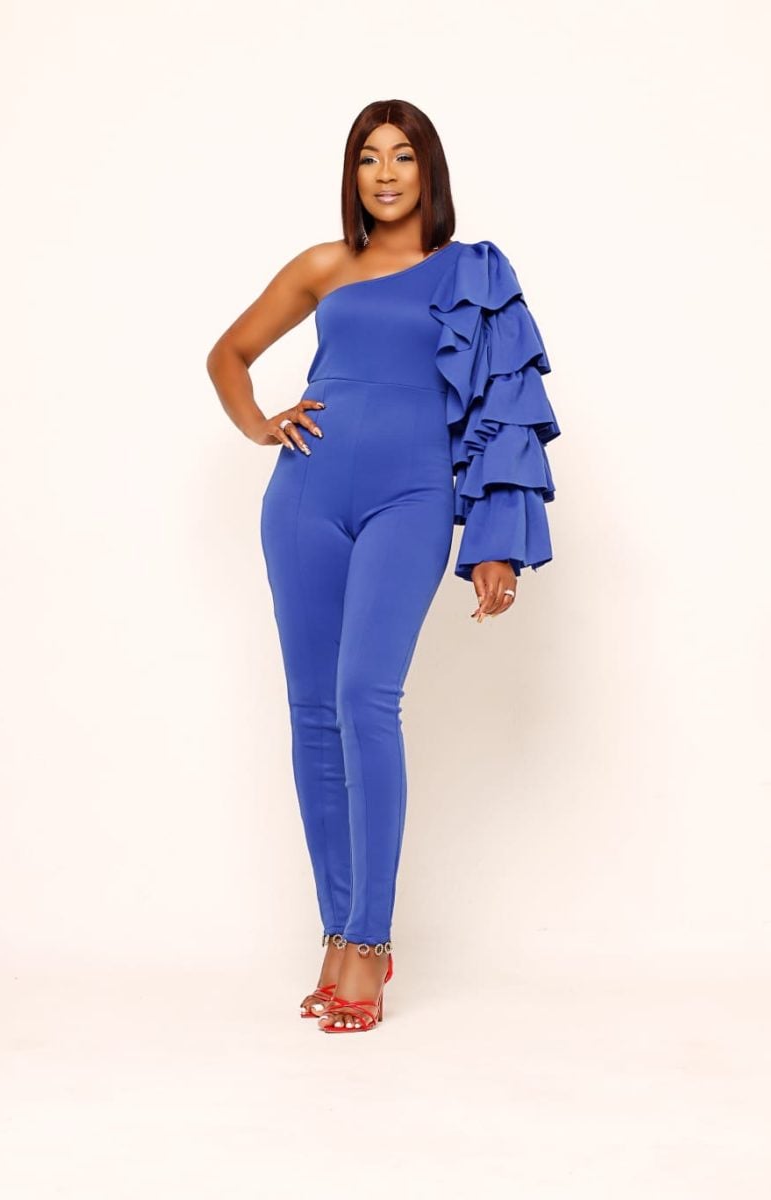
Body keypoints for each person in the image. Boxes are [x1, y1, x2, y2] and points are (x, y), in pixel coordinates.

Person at [205, 99, 561, 1034]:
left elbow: (507, 400)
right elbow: (229, 354)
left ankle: (371, 941)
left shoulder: (474, 270)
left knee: (366, 699)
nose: (387, 173)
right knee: (312, 712)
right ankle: (335, 932)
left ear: (429, 170)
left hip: (413, 497)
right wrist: (261, 424)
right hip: (305, 496)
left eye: (403, 156)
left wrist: (495, 541)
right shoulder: (323, 266)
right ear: (353, 174)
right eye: (369, 158)